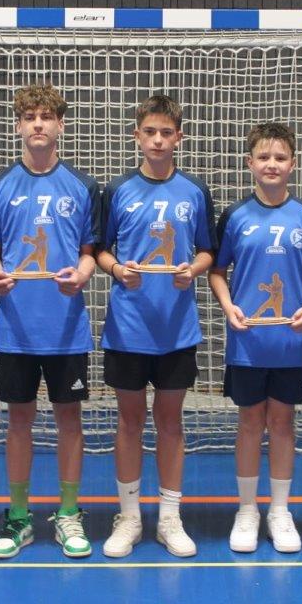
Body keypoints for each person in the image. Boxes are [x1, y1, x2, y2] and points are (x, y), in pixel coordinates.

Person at [0, 84, 100, 559]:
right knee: (19, 422)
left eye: (46, 116)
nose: (38, 124)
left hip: (66, 327)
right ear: (18, 126)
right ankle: (19, 515)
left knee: (70, 420)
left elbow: (89, 254)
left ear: (60, 125)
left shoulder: (83, 186)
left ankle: (68, 513)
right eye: (29, 117)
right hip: (16, 328)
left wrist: (82, 274)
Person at [208, 122, 302, 554]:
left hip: (290, 344)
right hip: (247, 342)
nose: (272, 164)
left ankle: (280, 510)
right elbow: (216, 270)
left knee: (282, 423)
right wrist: (229, 307)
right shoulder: (235, 216)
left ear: (293, 164)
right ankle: (247, 509)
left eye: (280, 157)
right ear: (250, 163)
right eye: (263, 157)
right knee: (249, 424)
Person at [96, 95, 217, 558]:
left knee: (170, 421)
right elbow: (99, 249)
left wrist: (194, 269)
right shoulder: (118, 190)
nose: (159, 140)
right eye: (150, 132)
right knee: (129, 422)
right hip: (128, 327)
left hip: (176, 329)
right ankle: (128, 517)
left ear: (179, 138)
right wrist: (116, 269)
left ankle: (169, 517)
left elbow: (207, 250)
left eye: (167, 133)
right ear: (137, 136)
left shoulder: (194, 191)